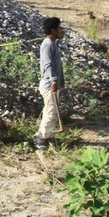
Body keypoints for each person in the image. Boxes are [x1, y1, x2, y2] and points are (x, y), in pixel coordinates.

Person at [33, 16, 65, 151]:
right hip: (49, 85)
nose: (62, 31)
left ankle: (43, 135)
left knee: (49, 111)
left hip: (52, 84)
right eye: (59, 28)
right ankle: (41, 138)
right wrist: (53, 80)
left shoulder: (52, 43)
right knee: (52, 113)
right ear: (53, 30)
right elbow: (47, 64)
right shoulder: (47, 45)